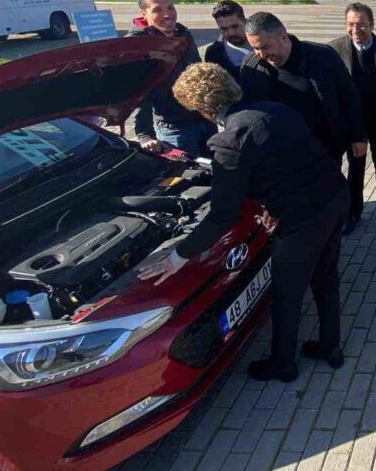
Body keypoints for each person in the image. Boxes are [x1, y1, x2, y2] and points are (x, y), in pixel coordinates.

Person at [139, 63, 348, 381]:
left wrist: (178, 254)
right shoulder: (277, 109)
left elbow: (223, 213)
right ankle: (331, 348)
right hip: (334, 197)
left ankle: (283, 365)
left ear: (202, 109)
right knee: (326, 276)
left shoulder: (228, 141)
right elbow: (285, 164)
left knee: (287, 292)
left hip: (302, 220)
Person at [240, 12, 366, 164]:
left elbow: (348, 96)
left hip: (323, 152)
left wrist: (357, 136)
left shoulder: (323, 57)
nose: (261, 54)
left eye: (265, 47)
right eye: (254, 48)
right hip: (276, 156)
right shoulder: (250, 66)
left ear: (283, 37)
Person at [328, 3, 376, 234]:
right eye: (351, 24)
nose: (356, 29)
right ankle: (354, 212)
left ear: (372, 24)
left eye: (361, 24)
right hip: (353, 121)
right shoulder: (335, 49)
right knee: (356, 167)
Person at [126, 0, 211, 157]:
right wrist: (144, 135)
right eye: (157, 10)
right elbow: (138, 94)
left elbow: (198, 73)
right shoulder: (137, 46)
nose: (167, 14)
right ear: (144, 14)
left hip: (205, 121)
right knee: (193, 177)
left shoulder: (184, 35)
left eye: (170, 7)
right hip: (175, 130)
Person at [205, 0, 253, 80]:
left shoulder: (264, 45)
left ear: (245, 21)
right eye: (224, 29)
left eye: (235, 26)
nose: (231, 33)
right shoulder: (213, 53)